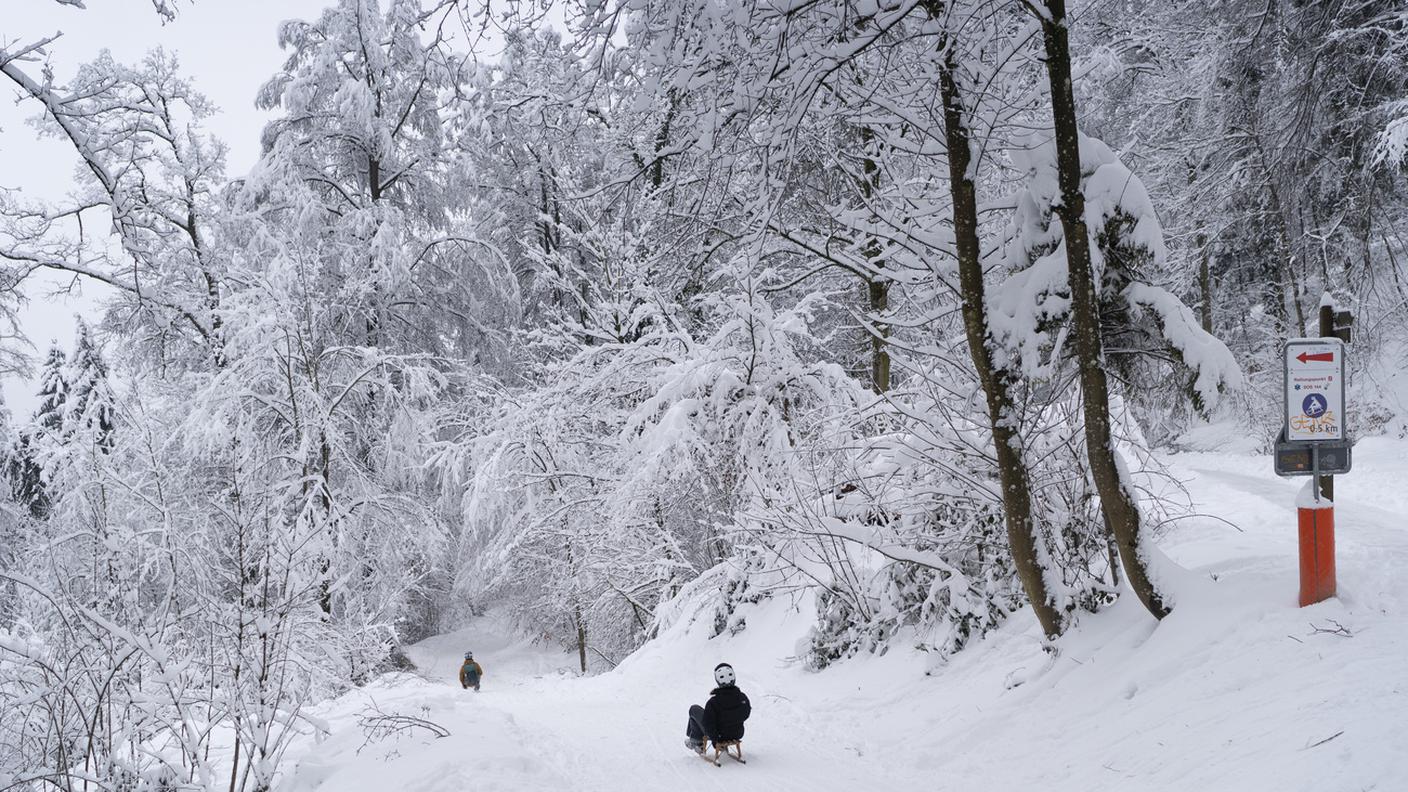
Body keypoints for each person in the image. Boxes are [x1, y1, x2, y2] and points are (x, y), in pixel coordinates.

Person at [685, 662, 751, 754]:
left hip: (719, 736)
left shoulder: (713, 702)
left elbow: (707, 724)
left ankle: (695, 741)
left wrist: (716, 741)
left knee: (694, 709)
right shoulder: (743, 698)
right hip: (737, 734)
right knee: (707, 717)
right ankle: (694, 739)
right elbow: (746, 714)